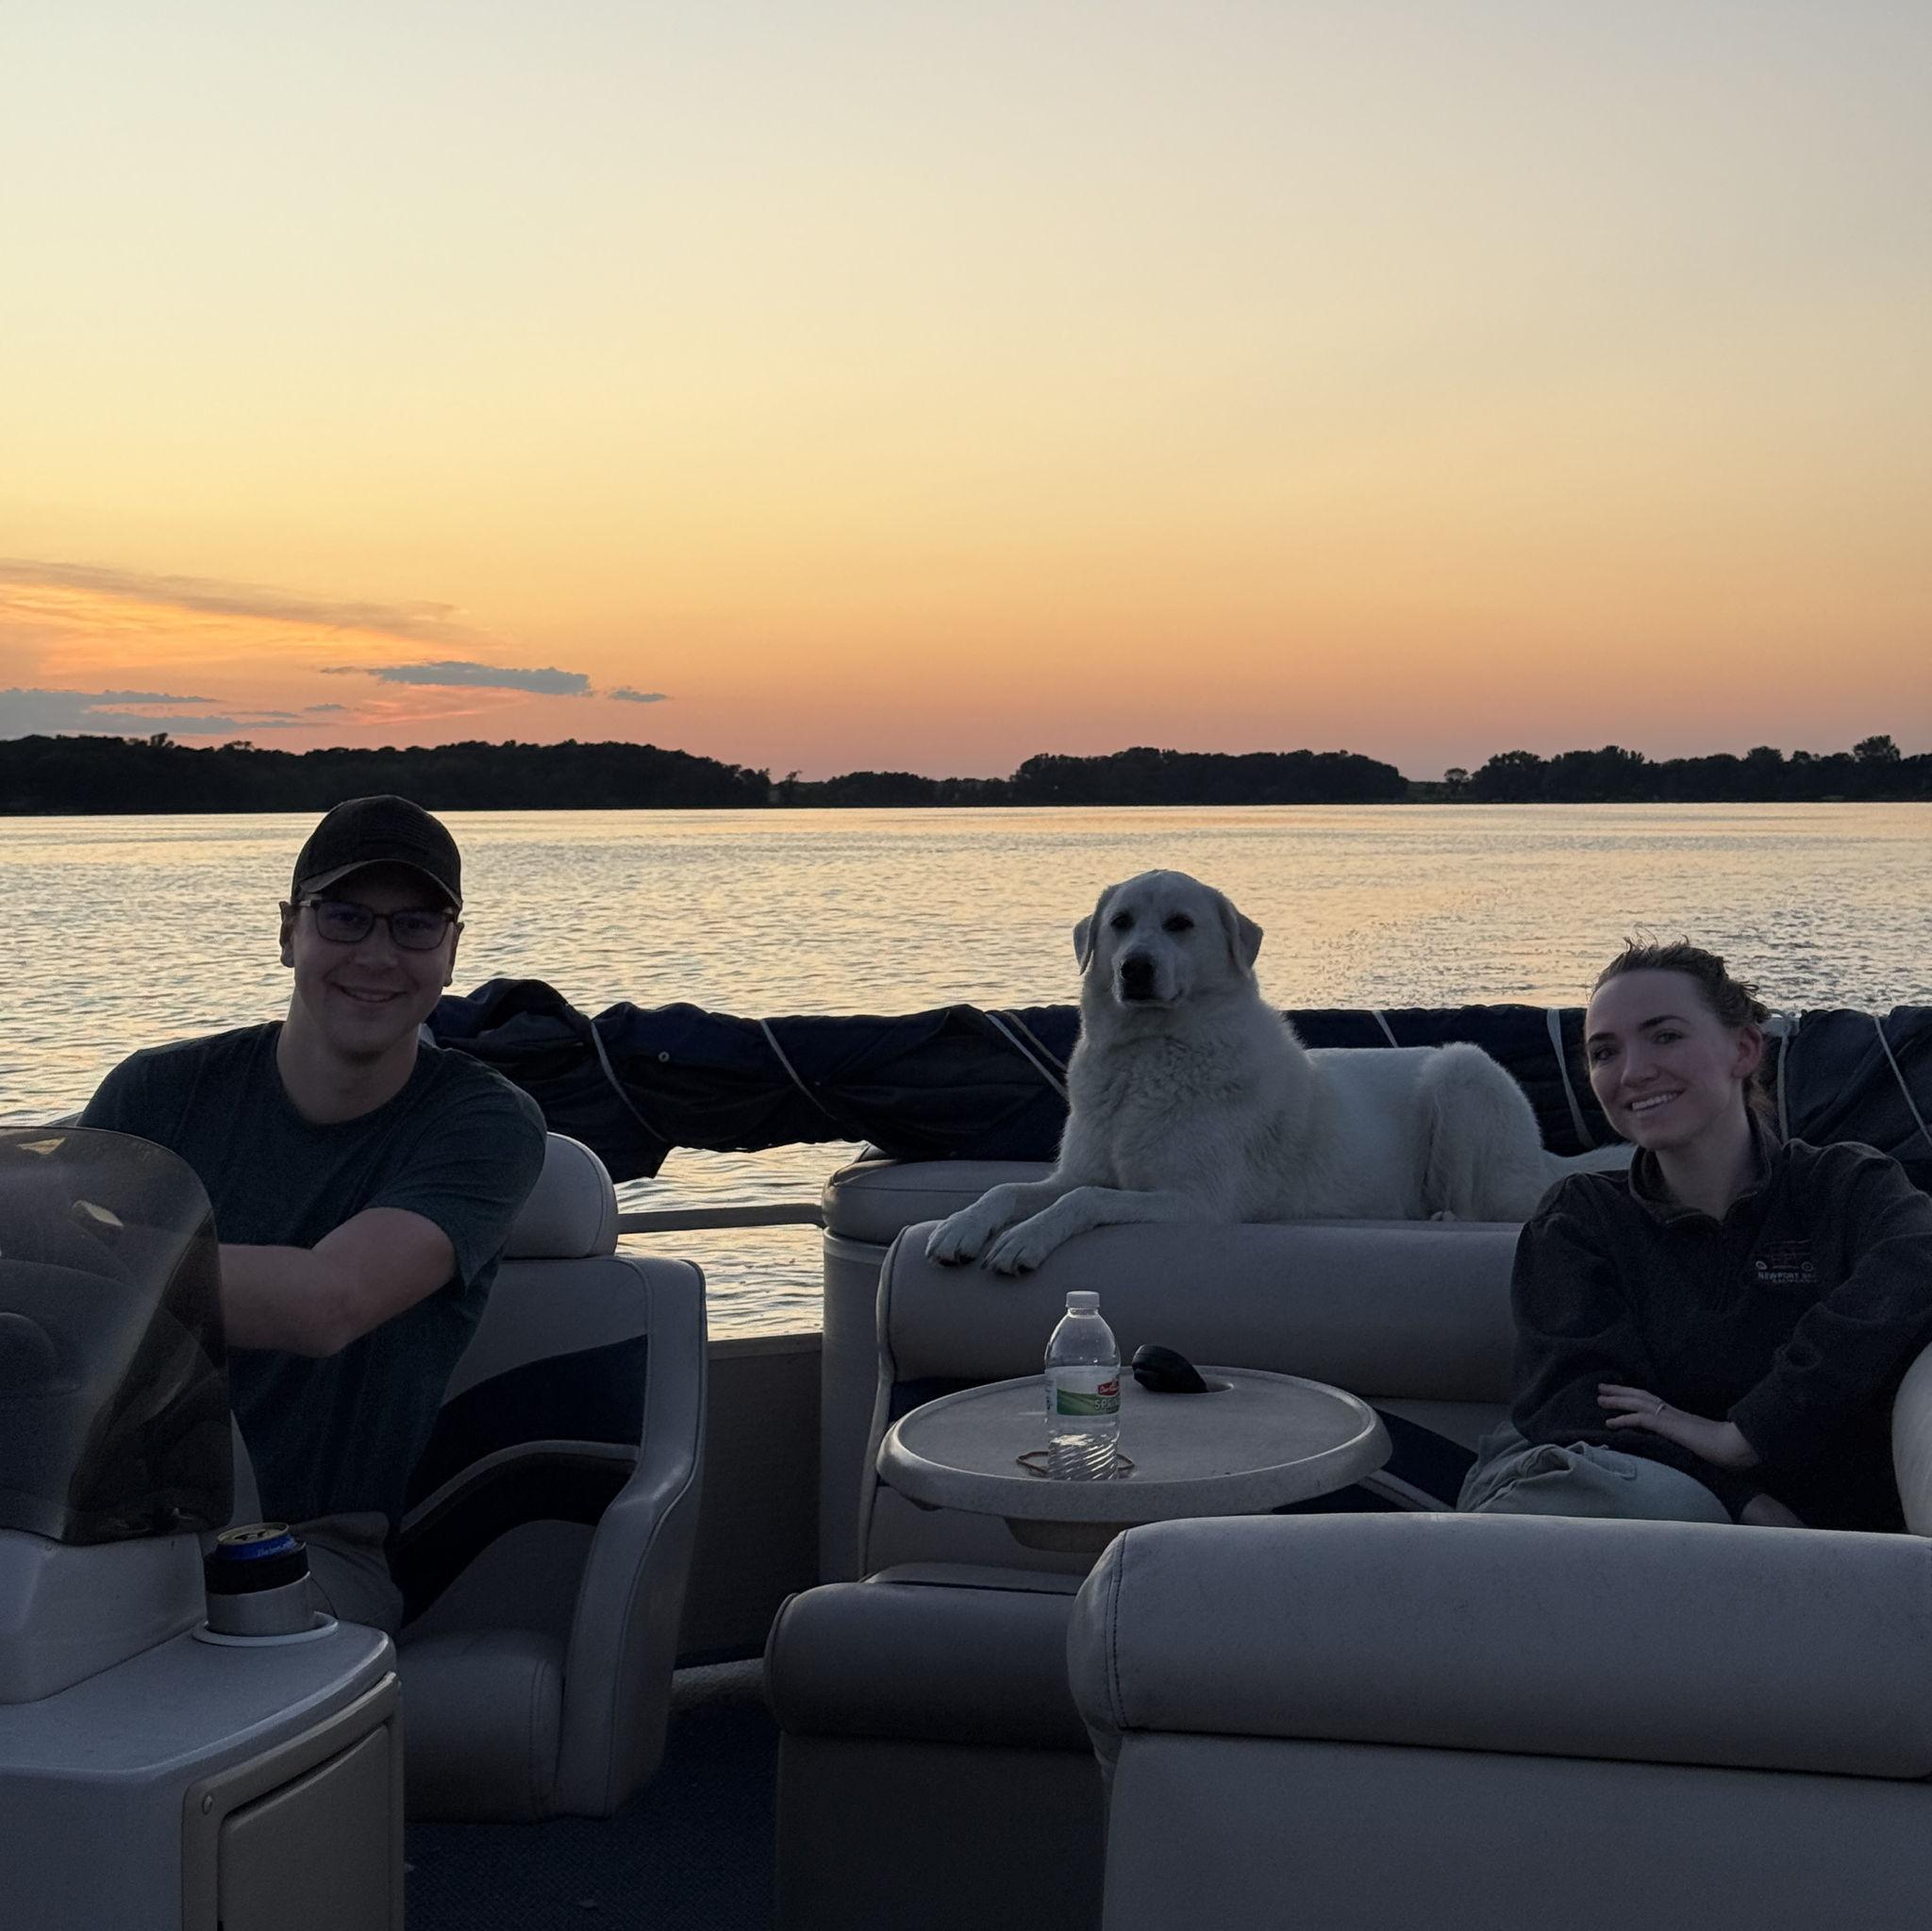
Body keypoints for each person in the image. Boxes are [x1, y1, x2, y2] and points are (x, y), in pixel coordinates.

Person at [81, 795, 547, 1627]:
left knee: (149, 1633)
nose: (376, 954)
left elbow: (327, 1302)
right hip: (105, 1527)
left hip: (315, 1551)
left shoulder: (484, 1124)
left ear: (451, 951)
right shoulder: (153, 1095)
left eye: (414, 926)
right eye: (344, 918)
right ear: (288, 931)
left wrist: (82, 1253)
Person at [1459, 939, 1932, 1531]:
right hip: (1611, 1491)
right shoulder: (1580, 1218)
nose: (1632, 1072)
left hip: (1811, 1525)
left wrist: (1750, 1431)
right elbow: (1576, 1408)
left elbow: (1917, 1261)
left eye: (1665, 1036)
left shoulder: (1842, 1186)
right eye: (1604, 1052)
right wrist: (1740, 1502)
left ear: (1744, 1049)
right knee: (1661, 1505)